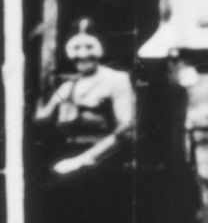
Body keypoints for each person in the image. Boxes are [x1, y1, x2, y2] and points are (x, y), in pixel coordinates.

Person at [33, 21, 135, 178]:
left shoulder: (117, 80)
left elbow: (126, 129)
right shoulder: (68, 86)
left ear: (101, 48)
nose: (82, 55)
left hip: (104, 164)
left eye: (89, 47)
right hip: (66, 164)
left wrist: (83, 160)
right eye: (76, 48)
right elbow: (42, 118)